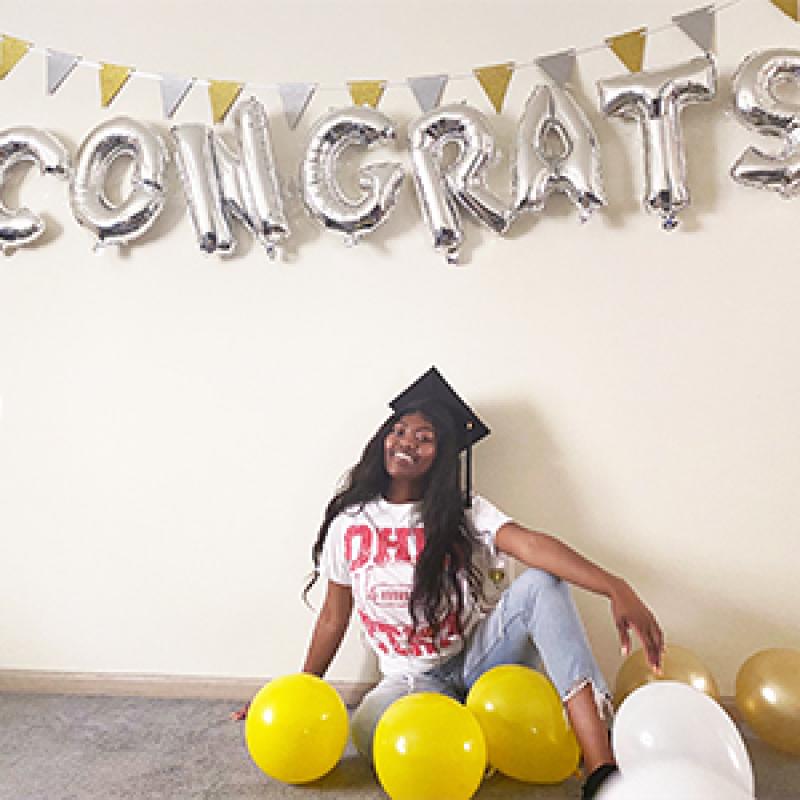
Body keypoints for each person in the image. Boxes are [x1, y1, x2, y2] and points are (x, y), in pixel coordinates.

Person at [236, 367, 663, 800]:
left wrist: (616, 587)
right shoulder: (350, 523)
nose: (406, 442)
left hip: (475, 659)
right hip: (409, 681)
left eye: (424, 438)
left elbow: (530, 545)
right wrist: (298, 694)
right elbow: (333, 616)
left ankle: (601, 772)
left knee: (543, 585)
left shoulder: (462, 510)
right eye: (398, 430)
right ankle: (482, 736)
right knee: (378, 740)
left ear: (441, 456)